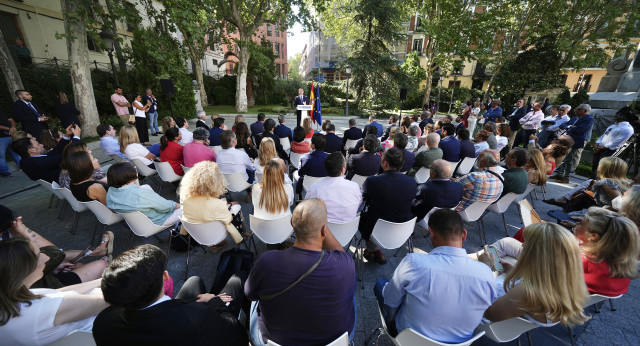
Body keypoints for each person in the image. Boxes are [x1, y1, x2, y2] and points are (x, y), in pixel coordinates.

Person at [245, 199, 356, 346]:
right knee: (350, 297)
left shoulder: (266, 262)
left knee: (256, 301)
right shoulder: (345, 264)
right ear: (324, 230)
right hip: (335, 341)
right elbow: (341, 254)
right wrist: (322, 224)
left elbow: (250, 295)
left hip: (275, 342)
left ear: (292, 223)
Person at [375, 209, 496, 343]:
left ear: (431, 232)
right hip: (458, 343)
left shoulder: (414, 263)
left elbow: (391, 299)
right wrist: (486, 268)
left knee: (381, 283)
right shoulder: (486, 274)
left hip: (408, 340)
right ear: (464, 235)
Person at [93, 244, 248, 346]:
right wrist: (214, 302)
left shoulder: (103, 323)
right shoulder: (198, 317)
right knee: (237, 280)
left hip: (170, 322)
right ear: (165, 277)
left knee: (193, 281)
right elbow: (238, 337)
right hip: (190, 328)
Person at [0, 238, 109, 345]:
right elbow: (112, 296)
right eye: (39, 256)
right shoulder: (43, 309)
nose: (46, 258)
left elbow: (57, 293)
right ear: (23, 270)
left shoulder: (13, 296)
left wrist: (100, 281)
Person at [480, 223, 589, 328]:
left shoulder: (526, 292)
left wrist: (484, 270)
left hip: (488, 319)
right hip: (513, 317)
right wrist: (511, 270)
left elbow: (490, 314)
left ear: (538, 255)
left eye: (527, 243)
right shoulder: (565, 282)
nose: (522, 245)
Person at [360, 148, 417, 264]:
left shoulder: (373, 181)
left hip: (376, 229)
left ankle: (374, 250)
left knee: (364, 217)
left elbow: (362, 199)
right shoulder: (412, 182)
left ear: (384, 163)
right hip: (403, 230)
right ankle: (375, 252)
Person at [180, 161, 246, 247]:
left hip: (197, 234)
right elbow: (229, 220)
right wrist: (225, 206)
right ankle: (243, 234)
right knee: (236, 207)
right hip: (217, 235)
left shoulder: (184, 199)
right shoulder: (217, 204)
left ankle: (216, 246)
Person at [106, 162, 182, 226]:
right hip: (159, 220)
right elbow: (167, 207)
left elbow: (136, 190)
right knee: (190, 208)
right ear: (131, 174)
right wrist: (178, 205)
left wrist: (134, 177)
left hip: (139, 224)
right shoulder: (141, 195)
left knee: (145, 187)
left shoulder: (111, 191)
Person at [11, 124, 81, 182]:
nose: (42, 145)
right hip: (71, 181)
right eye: (38, 144)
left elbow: (54, 152)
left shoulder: (27, 160)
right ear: (31, 150)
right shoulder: (39, 163)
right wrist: (76, 137)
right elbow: (66, 155)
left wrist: (67, 136)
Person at [306, 152, 362, 223]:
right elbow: (359, 204)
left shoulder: (314, 188)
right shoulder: (354, 186)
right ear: (342, 170)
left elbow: (308, 208)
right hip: (349, 231)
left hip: (322, 230)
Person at [552, 104, 595, 183]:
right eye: (576, 109)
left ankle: (566, 177)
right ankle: (560, 174)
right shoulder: (575, 118)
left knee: (569, 159)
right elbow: (562, 125)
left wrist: (569, 127)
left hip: (576, 141)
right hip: (566, 140)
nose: (576, 111)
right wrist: (570, 126)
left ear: (585, 111)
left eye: (579, 109)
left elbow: (580, 129)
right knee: (563, 157)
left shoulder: (589, 119)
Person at [411, 160, 463, 225]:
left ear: (433, 173)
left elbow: (412, 204)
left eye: (431, 168)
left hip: (423, 219)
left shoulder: (424, 188)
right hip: (444, 220)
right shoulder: (459, 187)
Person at [591, 108, 635, 177]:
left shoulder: (628, 128)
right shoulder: (613, 126)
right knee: (595, 167)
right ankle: (591, 183)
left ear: (624, 117)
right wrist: (597, 144)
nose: (616, 115)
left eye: (619, 114)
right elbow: (604, 135)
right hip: (600, 149)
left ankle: (597, 185)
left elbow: (617, 142)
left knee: (602, 169)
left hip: (609, 151)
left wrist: (603, 147)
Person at [0, 110, 18, 177]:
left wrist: (13, 127)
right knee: (1, 155)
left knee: (17, 152)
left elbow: (11, 119)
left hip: (10, 135)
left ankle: (22, 165)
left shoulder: (1, 111)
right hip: (1, 137)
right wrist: (9, 129)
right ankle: (4, 171)